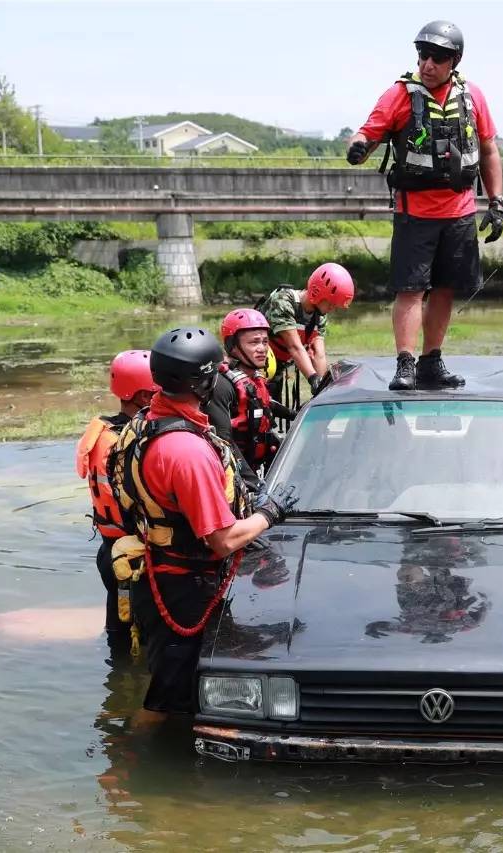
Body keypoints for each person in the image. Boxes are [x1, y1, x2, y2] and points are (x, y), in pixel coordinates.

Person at [109, 327, 299, 720]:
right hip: (184, 588)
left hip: (159, 572)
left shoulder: (145, 420)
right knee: (169, 704)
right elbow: (223, 541)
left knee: (169, 685)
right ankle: (134, 769)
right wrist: (270, 513)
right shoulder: (186, 452)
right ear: (205, 381)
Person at [345, 20, 503, 391]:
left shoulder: (473, 96)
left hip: (461, 212)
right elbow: (367, 134)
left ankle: (431, 361)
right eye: (423, 55)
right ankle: (405, 363)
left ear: (455, 61)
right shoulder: (399, 95)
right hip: (415, 214)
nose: (428, 64)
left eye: (437, 57)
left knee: (446, 288)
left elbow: (489, 149)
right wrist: (357, 148)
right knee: (411, 290)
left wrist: (497, 201)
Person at [76, 350, 159, 659]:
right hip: (135, 556)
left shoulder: (102, 434)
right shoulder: (134, 441)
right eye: (157, 389)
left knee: (119, 636)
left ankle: (120, 690)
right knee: (150, 644)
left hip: (109, 552)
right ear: (140, 395)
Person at [255, 262, 355, 412]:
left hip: (276, 371)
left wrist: (322, 386)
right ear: (318, 292)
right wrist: (313, 378)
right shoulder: (283, 301)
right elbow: (294, 347)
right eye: (331, 303)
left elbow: (318, 354)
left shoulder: (319, 316)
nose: (332, 309)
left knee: (270, 416)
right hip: (254, 369)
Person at [207, 308, 295, 476]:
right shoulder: (222, 386)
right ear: (233, 347)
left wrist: (297, 415)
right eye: (254, 342)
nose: (262, 349)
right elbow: (224, 442)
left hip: (255, 466)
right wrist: (253, 483)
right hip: (233, 473)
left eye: (265, 341)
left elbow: (267, 403)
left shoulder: (255, 378)